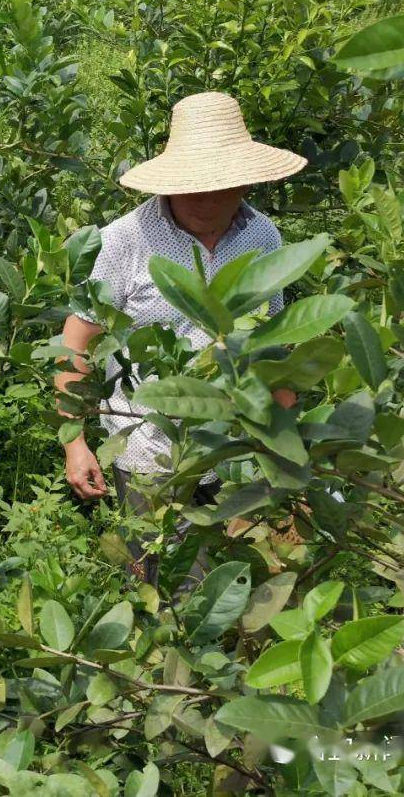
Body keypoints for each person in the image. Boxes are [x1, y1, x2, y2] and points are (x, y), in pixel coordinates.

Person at [54, 91, 304, 585]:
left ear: (247, 180)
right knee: (157, 586)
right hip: (147, 454)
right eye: (195, 186)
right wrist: (75, 444)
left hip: (234, 453)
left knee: (231, 586)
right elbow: (75, 344)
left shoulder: (264, 239)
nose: (207, 199)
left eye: (221, 186)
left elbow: (272, 347)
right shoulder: (123, 241)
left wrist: (286, 444)